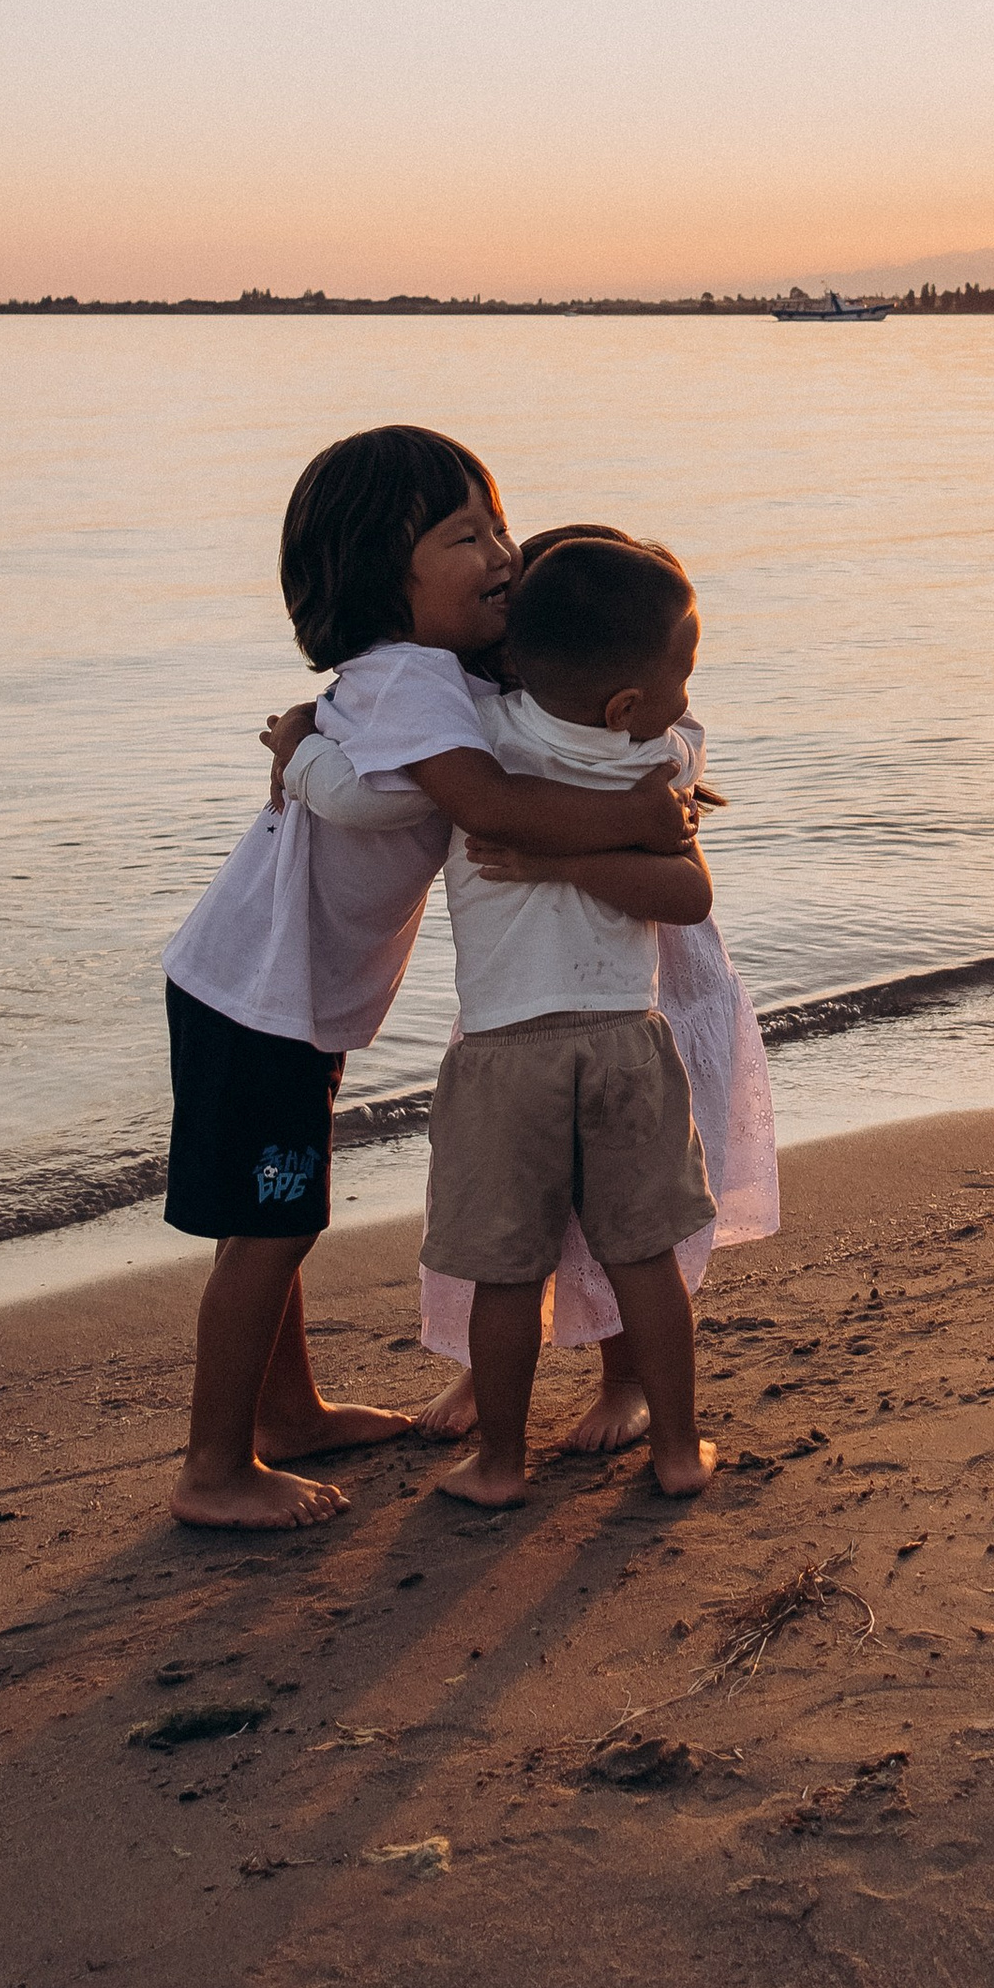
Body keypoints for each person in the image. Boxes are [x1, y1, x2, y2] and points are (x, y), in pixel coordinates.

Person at [161, 427, 696, 1532]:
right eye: (464, 534)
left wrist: (306, 738)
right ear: (379, 579)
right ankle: (214, 1467)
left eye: (498, 523)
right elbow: (488, 809)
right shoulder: (408, 678)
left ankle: (288, 1413)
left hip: (283, 992)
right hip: (259, 995)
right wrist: (640, 816)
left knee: (280, 1208)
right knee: (270, 1224)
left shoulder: (426, 673)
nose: (503, 549)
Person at [269, 519, 779, 1460]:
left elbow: (672, 867)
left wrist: (302, 745)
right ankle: (516, 1377)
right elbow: (417, 783)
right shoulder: (489, 733)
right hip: (534, 1000)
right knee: (550, 1228)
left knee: (602, 1226)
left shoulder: (652, 745)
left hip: (648, 985)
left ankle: (618, 1384)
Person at [409, 532, 724, 1505]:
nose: (687, 699)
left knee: (506, 1275)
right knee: (644, 1261)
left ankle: (501, 1464)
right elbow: (685, 898)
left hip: (502, 1053)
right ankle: (676, 1452)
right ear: (625, 704)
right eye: (684, 675)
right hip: (623, 1041)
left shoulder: (476, 741)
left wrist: (303, 737)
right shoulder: (655, 760)